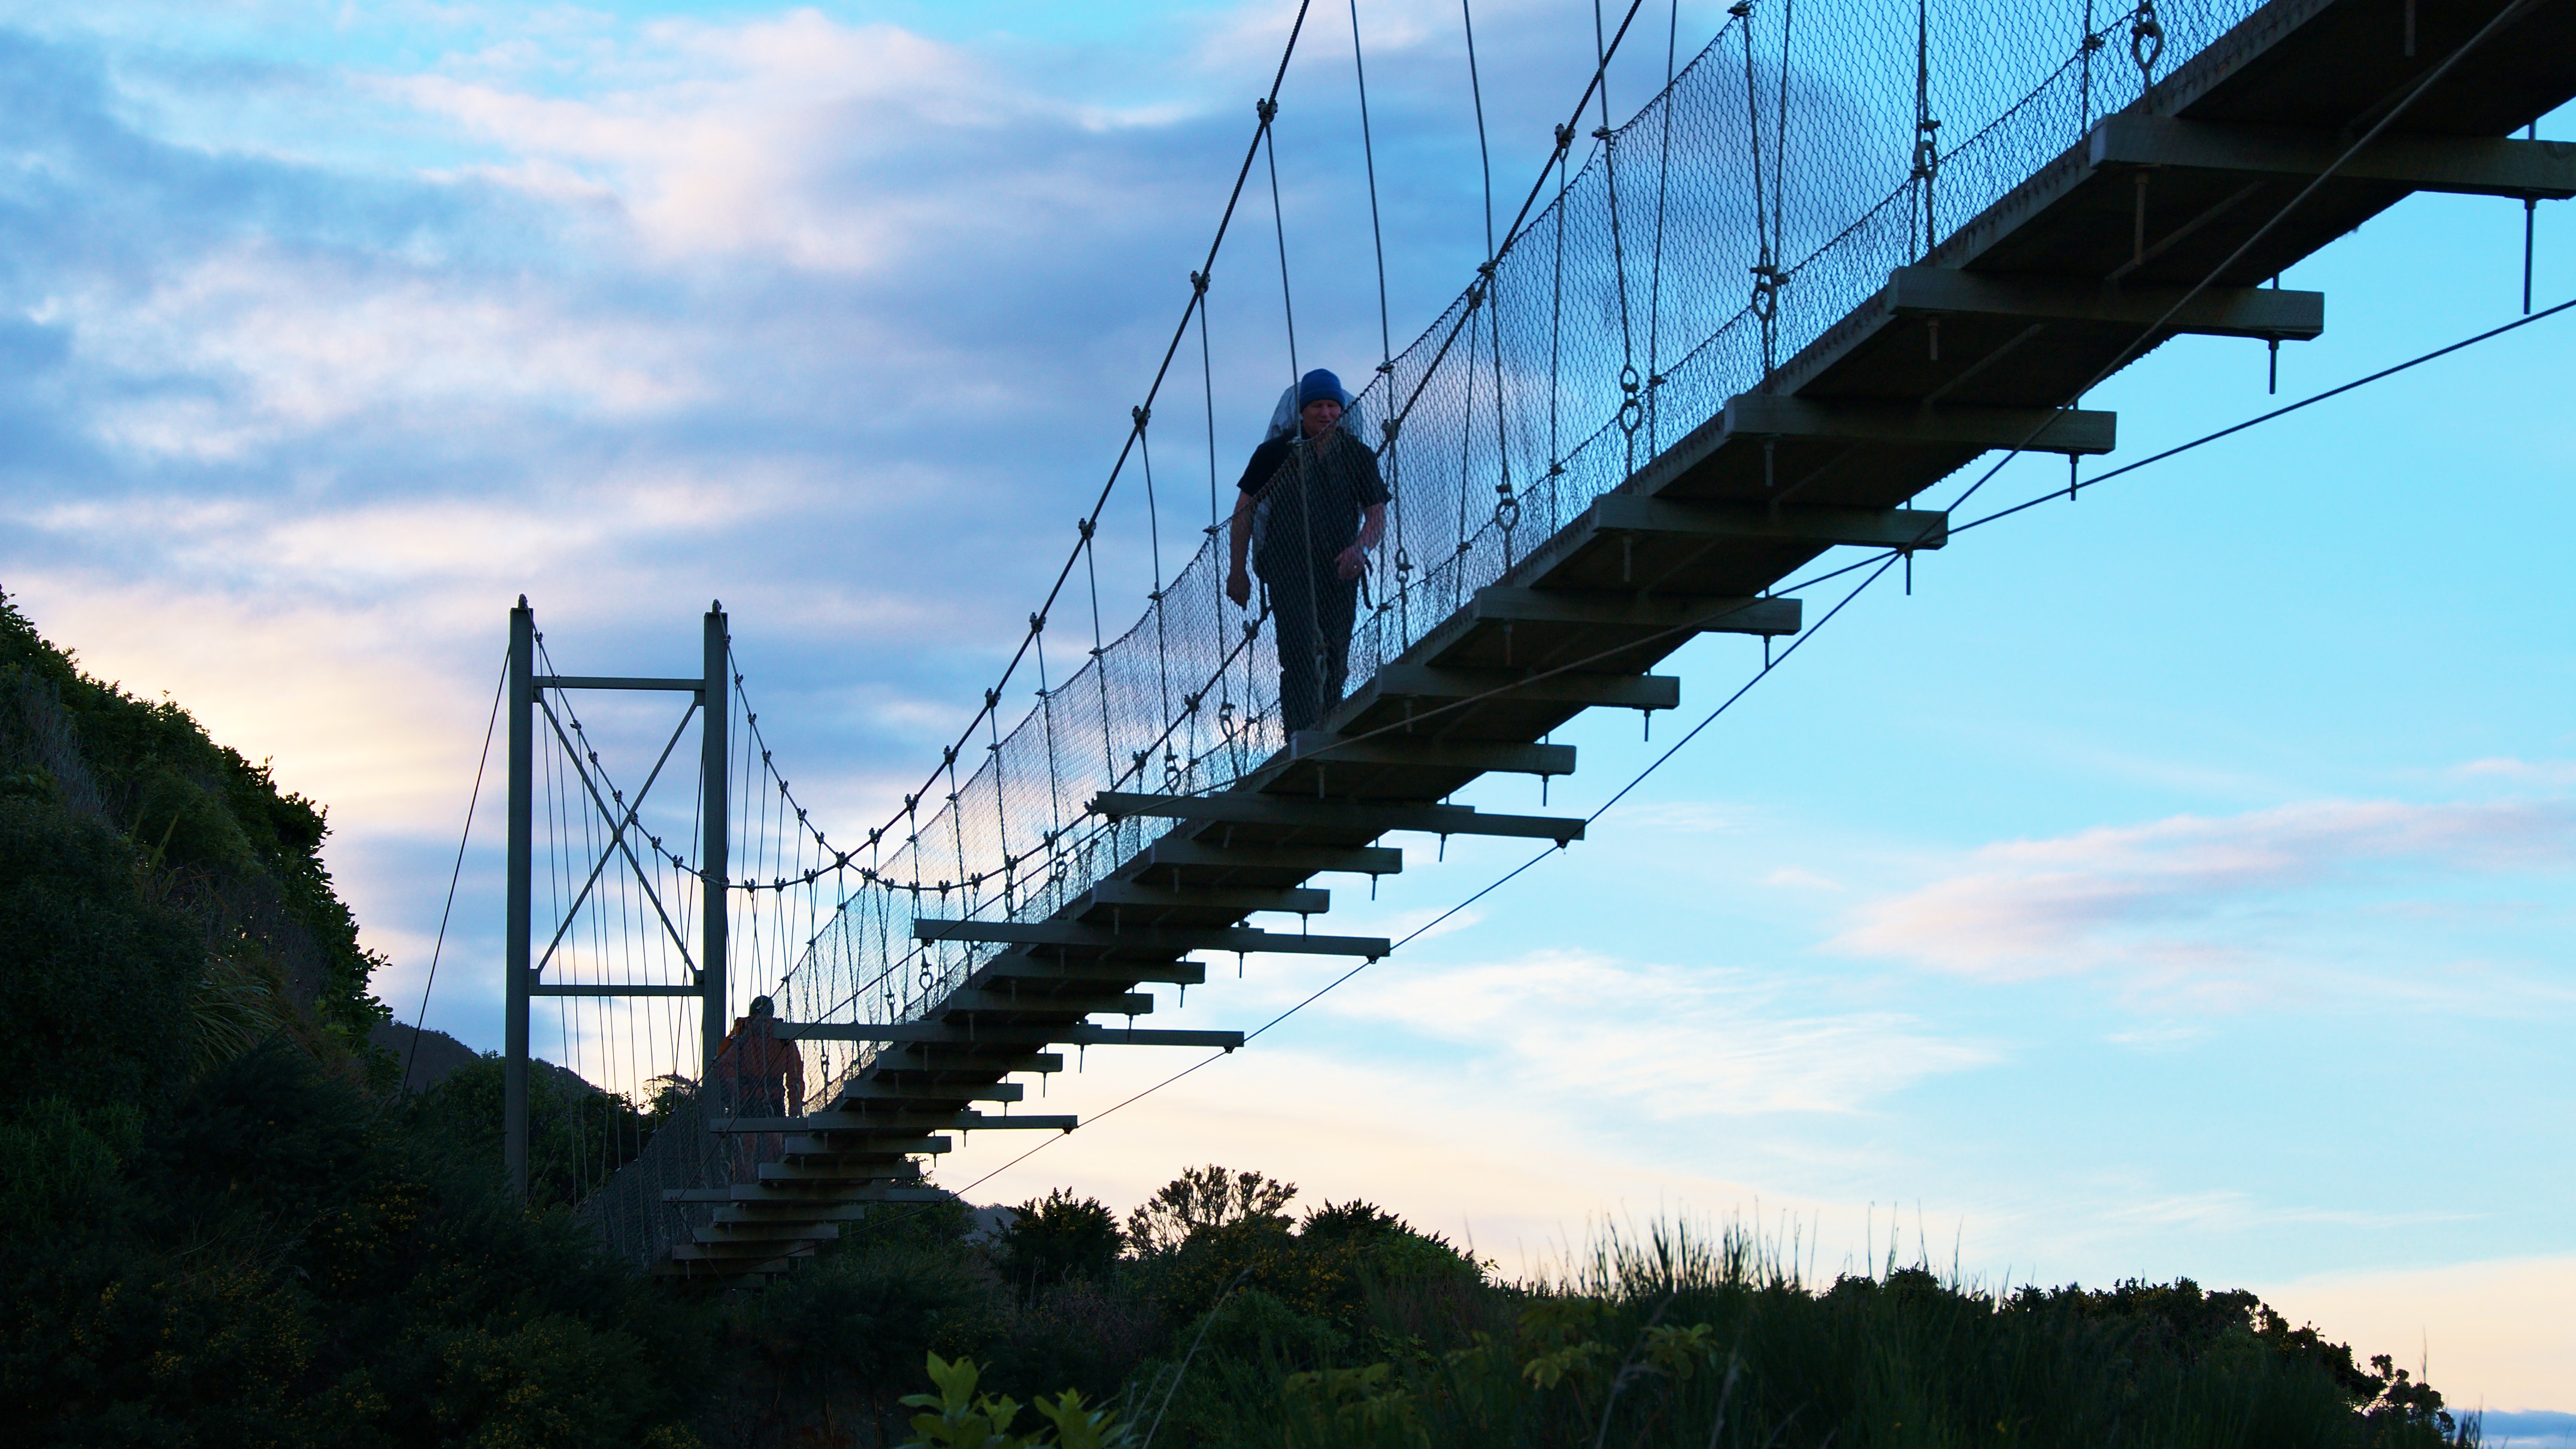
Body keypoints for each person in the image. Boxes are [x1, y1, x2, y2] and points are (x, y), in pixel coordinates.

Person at [1226, 368, 1389, 734]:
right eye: (1318, 405)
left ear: (1342, 410)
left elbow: (1376, 516)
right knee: (1299, 654)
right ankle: (1298, 736)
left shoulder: (1357, 455)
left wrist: (1359, 550)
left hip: (1340, 569)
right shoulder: (1273, 454)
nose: (1326, 413)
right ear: (1301, 410)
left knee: (1336, 656)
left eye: (1333, 406)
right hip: (1287, 569)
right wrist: (1238, 571)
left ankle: (1329, 729)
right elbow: (1244, 512)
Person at [713, 995, 805, 1123]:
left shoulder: (741, 1032)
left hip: (746, 1098)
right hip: (775, 1097)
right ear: (771, 1013)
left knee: (747, 1137)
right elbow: (795, 1072)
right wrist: (795, 1103)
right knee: (775, 1137)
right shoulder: (783, 1035)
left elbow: (722, 1062)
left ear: (751, 1012)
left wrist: (731, 1084)